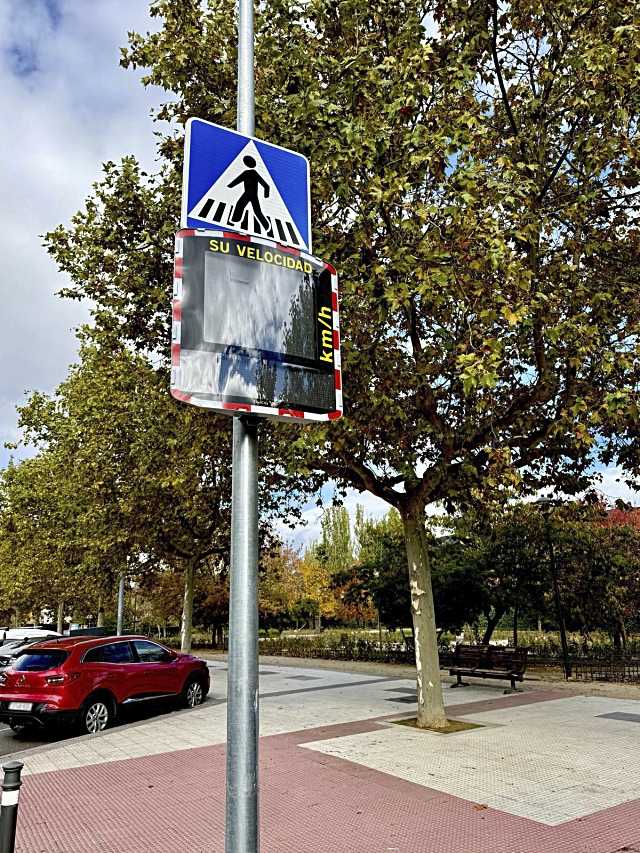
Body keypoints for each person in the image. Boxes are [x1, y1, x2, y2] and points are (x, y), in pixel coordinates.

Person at [228, 155, 272, 234]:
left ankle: (267, 227)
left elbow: (237, 180)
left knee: (242, 206)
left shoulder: (248, 173)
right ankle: (267, 227)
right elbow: (266, 186)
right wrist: (266, 194)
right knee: (245, 207)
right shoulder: (254, 173)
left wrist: (229, 186)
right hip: (252, 195)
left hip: (248, 194)